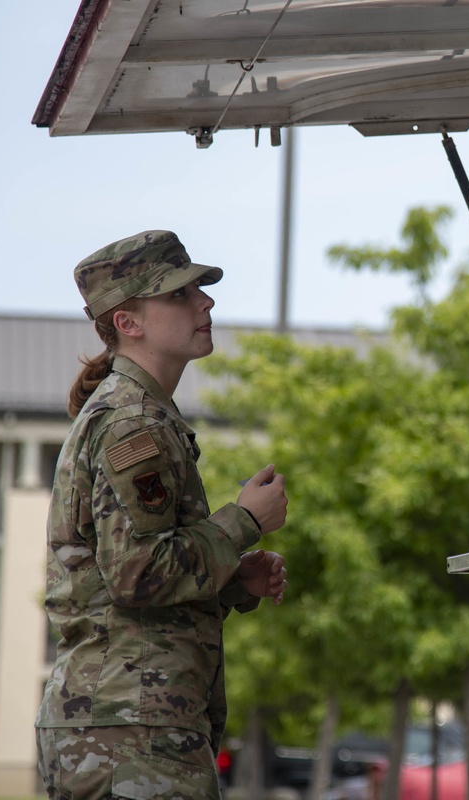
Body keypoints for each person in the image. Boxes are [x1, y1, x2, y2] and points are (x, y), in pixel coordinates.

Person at [35, 230, 289, 799]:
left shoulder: (143, 414)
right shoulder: (134, 422)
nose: (205, 302)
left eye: (197, 289)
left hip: (127, 726)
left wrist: (229, 579)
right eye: (179, 294)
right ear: (129, 323)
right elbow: (138, 575)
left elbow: (116, 581)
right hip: (130, 732)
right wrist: (244, 520)